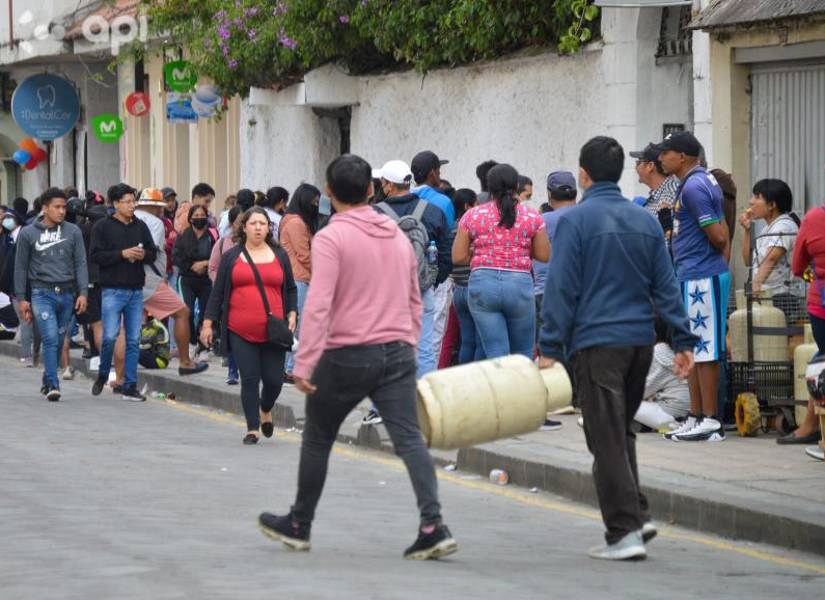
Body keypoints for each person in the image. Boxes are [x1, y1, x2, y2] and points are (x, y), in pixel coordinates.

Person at [257, 154, 456, 561]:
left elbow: (320, 304)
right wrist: (409, 340)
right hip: (397, 350)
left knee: (317, 437)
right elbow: (415, 293)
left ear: (329, 193)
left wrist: (305, 362)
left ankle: (299, 523)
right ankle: (433, 525)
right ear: (371, 190)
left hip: (348, 352)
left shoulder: (331, 236)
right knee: (408, 438)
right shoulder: (395, 232)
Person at [539, 136, 696, 560]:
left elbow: (562, 287)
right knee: (619, 432)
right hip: (639, 345)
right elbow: (666, 287)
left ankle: (623, 532)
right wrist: (681, 340)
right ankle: (637, 515)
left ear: (584, 176)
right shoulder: (644, 220)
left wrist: (549, 345)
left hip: (597, 344)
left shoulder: (574, 222)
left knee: (604, 437)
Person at [202, 207, 297, 444]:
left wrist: (293, 312)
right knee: (250, 378)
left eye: (262, 224)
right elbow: (217, 294)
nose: (257, 228)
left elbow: (291, 288)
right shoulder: (232, 257)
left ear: (268, 228)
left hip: (274, 330)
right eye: (253, 223)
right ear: (243, 227)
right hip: (240, 329)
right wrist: (207, 323)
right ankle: (252, 427)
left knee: (274, 380)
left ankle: (266, 408)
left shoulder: (280, 255)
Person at [658, 131, 731, 443]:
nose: (661, 158)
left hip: (703, 275)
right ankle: (696, 415)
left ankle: (711, 419)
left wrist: (712, 252)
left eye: (666, 152)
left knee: (706, 349)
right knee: (693, 346)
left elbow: (718, 235)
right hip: (693, 274)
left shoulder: (695, 186)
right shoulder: (695, 182)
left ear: (683, 156)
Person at [453, 163, 550, 360]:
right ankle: (523, 391)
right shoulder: (532, 217)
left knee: (496, 354)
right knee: (523, 354)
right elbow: (544, 255)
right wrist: (520, 251)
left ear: (489, 187)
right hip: (519, 286)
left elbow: (458, 256)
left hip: (483, 285)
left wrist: (480, 253)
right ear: (516, 186)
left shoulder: (472, 215)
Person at [373, 159, 452, 381]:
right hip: (422, 289)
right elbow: (446, 254)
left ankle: (385, 408)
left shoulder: (373, 214)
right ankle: (425, 403)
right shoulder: (433, 211)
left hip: (385, 293)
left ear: (388, 185)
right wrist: (432, 281)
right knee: (425, 348)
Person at [13, 188, 88, 401]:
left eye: (64, 207)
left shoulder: (73, 232)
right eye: (57, 207)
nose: (62, 211)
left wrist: (82, 293)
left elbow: (81, 263)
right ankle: (54, 384)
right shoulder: (28, 233)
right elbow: (20, 268)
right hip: (41, 293)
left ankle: (47, 379)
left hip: (67, 294)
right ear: (45, 208)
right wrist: (21, 298)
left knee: (58, 337)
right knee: (50, 337)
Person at [90, 183, 157, 402]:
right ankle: (102, 373)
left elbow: (152, 253)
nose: (132, 206)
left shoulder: (140, 226)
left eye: (133, 201)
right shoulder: (102, 227)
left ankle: (129, 385)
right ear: (116, 204)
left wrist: (141, 255)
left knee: (133, 339)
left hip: (135, 290)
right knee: (109, 336)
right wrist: (121, 254)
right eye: (127, 202)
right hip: (112, 290)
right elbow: (96, 256)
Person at [133, 188, 208, 376]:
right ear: (152, 206)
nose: (162, 210)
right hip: (149, 280)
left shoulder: (129, 218)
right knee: (182, 312)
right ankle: (185, 362)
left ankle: (121, 373)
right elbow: (151, 253)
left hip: (127, 280)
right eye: (159, 206)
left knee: (129, 325)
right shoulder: (156, 223)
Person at [532, 171, 578, 432]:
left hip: (544, 291)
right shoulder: (585, 217)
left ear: (550, 195)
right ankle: (578, 396)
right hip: (578, 292)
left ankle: (557, 398)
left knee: (548, 345)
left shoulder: (541, 220)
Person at [783, 202, 825, 445]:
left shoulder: (814, 218)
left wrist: (815, 276)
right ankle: (811, 427)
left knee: (822, 364)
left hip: (821, 306)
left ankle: (812, 427)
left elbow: (798, 267)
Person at [280, 183, 321, 383]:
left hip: (299, 278)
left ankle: (291, 368)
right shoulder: (296, 223)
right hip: (300, 279)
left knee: (296, 325)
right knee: (298, 326)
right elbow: (304, 255)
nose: (316, 206)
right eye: (314, 202)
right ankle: (291, 369)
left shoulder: (292, 220)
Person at [738, 179, 799, 296]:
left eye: (757, 197)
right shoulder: (767, 229)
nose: (751, 202)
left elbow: (771, 259)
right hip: (766, 295)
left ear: (772, 205)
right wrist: (747, 230)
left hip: (780, 297)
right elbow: (748, 261)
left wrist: (754, 288)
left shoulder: (784, 226)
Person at [173, 204, 216, 353]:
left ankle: (204, 346)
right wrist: (192, 266)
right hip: (187, 279)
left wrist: (205, 263)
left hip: (206, 281)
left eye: (202, 215)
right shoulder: (183, 236)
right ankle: (191, 342)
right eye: (195, 216)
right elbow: (176, 257)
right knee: (187, 311)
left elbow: (218, 257)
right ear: (190, 218)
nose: (199, 219)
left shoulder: (212, 236)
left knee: (206, 313)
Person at [634, 319, 691, 432]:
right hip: (688, 413)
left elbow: (641, 391)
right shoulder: (683, 350)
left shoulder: (660, 351)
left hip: (671, 417)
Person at [208, 205, 243, 385]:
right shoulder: (223, 243)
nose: (243, 225)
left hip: (251, 298)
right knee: (232, 333)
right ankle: (232, 371)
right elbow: (213, 268)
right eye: (239, 222)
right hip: (229, 297)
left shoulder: (259, 246)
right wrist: (220, 285)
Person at [449, 189, 482, 365]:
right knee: (479, 342)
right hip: (473, 289)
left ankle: (464, 377)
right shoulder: (472, 227)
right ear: (467, 206)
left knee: (466, 341)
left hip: (458, 290)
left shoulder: (451, 228)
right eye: (476, 204)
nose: (479, 208)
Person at [630, 143, 680, 220]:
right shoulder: (659, 194)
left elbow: (665, 230)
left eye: (638, 163)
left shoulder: (669, 195)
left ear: (650, 166)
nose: (635, 167)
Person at [410, 151, 455, 227]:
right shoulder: (444, 202)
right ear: (432, 173)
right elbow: (449, 235)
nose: (440, 173)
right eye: (438, 169)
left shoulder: (403, 197)